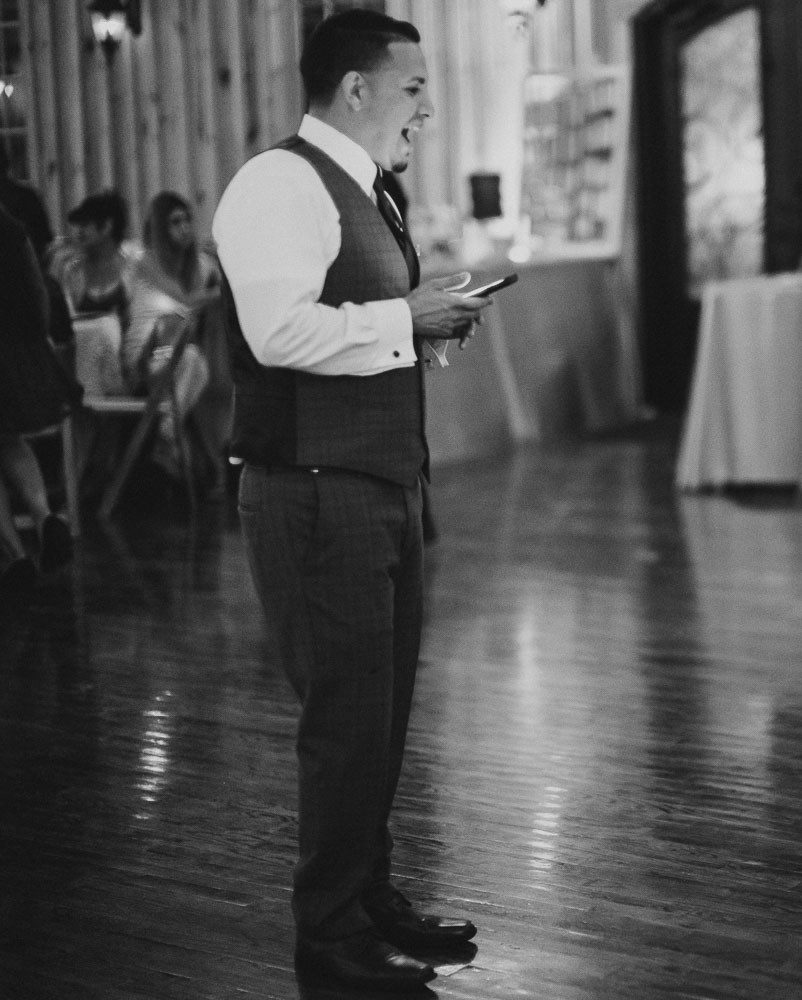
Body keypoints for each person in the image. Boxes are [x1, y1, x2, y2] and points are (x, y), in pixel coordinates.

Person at [212, 10, 487, 992]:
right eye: (413, 87)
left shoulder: (374, 191)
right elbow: (280, 332)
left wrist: (426, 327)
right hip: (313, 492)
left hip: (378, 486)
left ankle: (368, 897)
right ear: (356, 88)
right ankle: (327, 931)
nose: (427, 107)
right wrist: (401, 316)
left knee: (382, 713)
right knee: (344, 719)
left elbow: (356, 324)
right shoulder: (277, 183)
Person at [0, 203, 78, 592]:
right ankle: (45, 516)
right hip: (18, 351)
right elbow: (37, 290)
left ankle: (14, 554)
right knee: (8, 440)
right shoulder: (12, 226)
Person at [127, 191, 220, 482]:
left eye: (187, 220)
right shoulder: (147, 261)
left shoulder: (202, 267)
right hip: (144, 355)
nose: (184, 228)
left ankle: (168, 437)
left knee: (197, 362)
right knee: (194, 359)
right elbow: (184, 299)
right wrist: (224, 290)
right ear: (159, 229)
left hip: (177, 355)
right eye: (174, 222)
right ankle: (171, 441)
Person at [50, 190, 135, 397]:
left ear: (106, 227)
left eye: (84, 225)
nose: (77, 232)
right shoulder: (71, 269)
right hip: (83, 360)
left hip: (128, 361)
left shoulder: (132, 266)